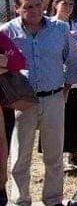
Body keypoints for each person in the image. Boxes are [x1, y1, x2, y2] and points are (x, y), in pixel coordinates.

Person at [0, 0, 77, 206]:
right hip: (22, 103)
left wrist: (65, 89)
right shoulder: (6, 32)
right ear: (17, 9)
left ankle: (53, 200)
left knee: (54, 157)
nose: (35, 10)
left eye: (38, 5)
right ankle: (20, 201)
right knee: (19, 158)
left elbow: (73, 61)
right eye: (28, 7)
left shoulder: (60, 29)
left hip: (54, 98)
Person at [51, 0, 77, 169]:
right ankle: (56, 156)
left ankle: (73, 155)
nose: (68, 7)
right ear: (55, 4)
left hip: (75, 80)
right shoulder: (47, 25)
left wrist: (68, 46)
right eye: (64, 3)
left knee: (75, 118)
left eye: (71, 4)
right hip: (53, 79)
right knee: (57, 119)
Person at [0, 32, 27, 206]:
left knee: (2, 152)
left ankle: (0, 192)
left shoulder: (0, 38)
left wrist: (5, 63)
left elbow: (19, 61)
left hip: (3, 109)